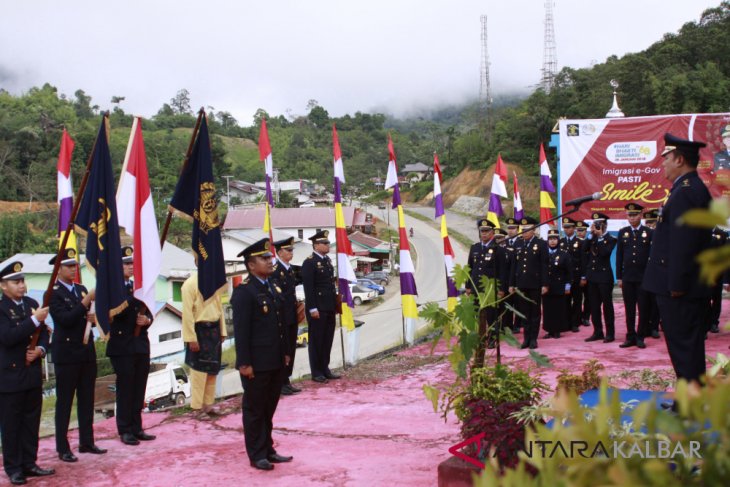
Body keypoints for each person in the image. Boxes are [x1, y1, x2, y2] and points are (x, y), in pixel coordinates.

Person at [643, 133, 713, 399]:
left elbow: (684, 245)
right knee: (685, 345)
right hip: (683, 284)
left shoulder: (686, 192)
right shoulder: (687, 188)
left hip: (681, 288)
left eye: (667, 159)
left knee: (684, 345)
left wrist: (676, 285)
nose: (663, 165)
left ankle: (691, 404)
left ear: (680, 160)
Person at [232, 238, 292, 471]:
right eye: (264, 258)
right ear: (250, 264)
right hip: (256, 364)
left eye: (269, 257)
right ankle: (257, 454)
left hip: (275, 360)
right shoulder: (245, 293)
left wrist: (286, 353)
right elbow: (242, 331)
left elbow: (280, 325)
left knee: (269, 408)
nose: (270, 261)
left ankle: (268, 449)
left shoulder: (272, 287)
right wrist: (244, 363)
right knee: (255, 410)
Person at [0, 261, 54, 485]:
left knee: (31, 422)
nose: (21, 285)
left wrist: (40, 350)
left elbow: (43, 333)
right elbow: (8, 337)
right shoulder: (1, 309)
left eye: (22, 281)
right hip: (10, 377)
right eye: (16, 282)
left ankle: (30, 463)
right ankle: (14, 468)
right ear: (3, 286)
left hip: (31, 373)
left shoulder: (32, 303)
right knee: (12, 424)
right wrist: (34, 320)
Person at [49, 248, 104, 463]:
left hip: (86, 352)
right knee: (64, 402)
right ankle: (62, 447)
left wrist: (93, 317)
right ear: (58, 269)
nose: (73, 269)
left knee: (87, 399)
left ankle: (87, 441)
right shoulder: (53, 293)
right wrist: (86, 302)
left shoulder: (80, 289)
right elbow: (66, 320)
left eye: (74, 265)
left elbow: (87, 318)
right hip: (67, 354)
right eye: (68, 266)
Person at [106, 246, 155, 445]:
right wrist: (134, 295)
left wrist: (147, 320)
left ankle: (137, 426)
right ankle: (125, 429)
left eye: (131, 263)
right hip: (121, 345)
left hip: (140, 344)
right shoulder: (112, 289)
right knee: (125, 389)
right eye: (126, 264)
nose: (129, 267)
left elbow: (149, 310)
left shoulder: (138, 288)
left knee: (139, 388)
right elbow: (113, 313)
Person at [182, 268, 227, 421]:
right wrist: (190, 338)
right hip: (199, 331)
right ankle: (196, 408)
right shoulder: (189, 285)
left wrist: (222, 330)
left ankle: (208, 405)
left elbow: (220, 308)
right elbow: (187, 313)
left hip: (214, 329)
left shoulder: (215, 283)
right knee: (198, 372)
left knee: (212, 370)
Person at [466, 219, 508, 360]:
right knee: (478, 314)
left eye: (486, 231)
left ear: (492, 232)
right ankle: (481, 337)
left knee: (491, 315)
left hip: (490, 289)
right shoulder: (475, 248)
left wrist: (502, 288)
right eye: (482, 231)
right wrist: (468, 286)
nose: (484, 234)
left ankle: (492, 338)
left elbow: (503, 271)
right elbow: (470, 268)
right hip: (477, 288)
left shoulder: (498, 249)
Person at [301, 230, 339, 383]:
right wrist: (312, 308)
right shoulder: (309, 262)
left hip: (329, 306)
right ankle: (316, 372)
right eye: (324, 243)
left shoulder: (327, 261)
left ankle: (325, 368)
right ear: (316, 246)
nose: (327, 245)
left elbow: (329, 285)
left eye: (328, 243)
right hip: (317, 308)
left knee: (327, 339)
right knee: (317, 340)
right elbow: (308, 288)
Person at [616, 203, 653, 349]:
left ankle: (640, 336)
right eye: (629, 215)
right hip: (628, 277)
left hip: (643, 277)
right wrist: (619, 276)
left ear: (641, 215)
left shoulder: (649, 232)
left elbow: (652, 257)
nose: (632, 218)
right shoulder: (623, 232)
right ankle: (630, 336)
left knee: (643, 308)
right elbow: (619, 256)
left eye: (635, 215)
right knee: (629, 308)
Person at [509, 217, 548, 350]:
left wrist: (545, 284)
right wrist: (511, 284)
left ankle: (533, 339)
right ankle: (526, 338)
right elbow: (514, 266)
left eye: (527, 230)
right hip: (521, 283)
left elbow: (544, 265)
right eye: (523, 230)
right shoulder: (518, 244)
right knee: (524, 312)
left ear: (534, 230)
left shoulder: (541, 244)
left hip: (535, 283)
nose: (524, 232)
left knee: (535, 312)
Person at [270, 237, 302, 395]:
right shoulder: (275, 270)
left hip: (291, 315)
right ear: (280, 252)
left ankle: (286, 379)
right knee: (283, 350)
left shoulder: (289, 269)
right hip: (282, 316)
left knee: (291, 348)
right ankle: (280, 381)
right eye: (288, 250)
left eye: (291, 250)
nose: (291, 253)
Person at [584, 213, 617, 343]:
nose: (597, 227)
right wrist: (590, 234)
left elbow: (604, 253)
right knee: (594, 306)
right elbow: (584, 249)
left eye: (600, 224)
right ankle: (598, 331)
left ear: (605, 225)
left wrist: (601, 237)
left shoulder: (611, 238)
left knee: (607, 306)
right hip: (592, 276)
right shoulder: (592, 237)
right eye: (596, 224)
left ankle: (610, 333)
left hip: (604, 277)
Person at [543, 229, 572, 339]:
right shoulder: (544, 253)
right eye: (550, 239)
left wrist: (568, 285)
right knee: (548, 308)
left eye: (554, 239)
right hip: (547, 285)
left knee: (558, 308)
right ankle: (549, 330)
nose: (552, 241)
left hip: (559, 284)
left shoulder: (564, 254)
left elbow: (569, 272)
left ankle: (557, 330)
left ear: (558, 240)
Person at [559, 218, 584, 333]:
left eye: (569, 227)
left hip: (576, 275)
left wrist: (583, 276)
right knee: (565, 300)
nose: (566, 229)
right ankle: (566, 322)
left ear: (574, 228)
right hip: (564, 277)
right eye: (565, 227)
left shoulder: (580, 242)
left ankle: (575, 322)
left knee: (577, 300)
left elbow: (584, 261)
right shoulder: (561, 241)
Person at [642, 209, 662, 339]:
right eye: (648, 223)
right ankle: (645, 326)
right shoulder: (643, 234)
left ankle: (654, 326)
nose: (650, 225)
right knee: (644, 302)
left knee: (655, 301)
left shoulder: (661, 235)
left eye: (652, 222)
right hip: (643, 272)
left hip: (657, 272)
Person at [706, 226, 728, 335]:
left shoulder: (722, 234)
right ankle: (706, 322)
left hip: (717, 273)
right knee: (704, 300)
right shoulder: (700, 231)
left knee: (716, 299)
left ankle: (714, 322)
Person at [503, 218, 522, 333]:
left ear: (518, 229)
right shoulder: (503, 242)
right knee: (508, 303)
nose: (510, 231)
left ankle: (518, 324)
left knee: (519, 303)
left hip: (519, 277)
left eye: (513, 228)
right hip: (508, 278)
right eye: (509, 228)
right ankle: (508, 324)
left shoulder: (521, 241)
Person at [574, 221, 592, 327]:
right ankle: (577, 317)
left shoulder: (589, 242)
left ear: (586, 231)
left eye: (582, 230)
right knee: (577, 297)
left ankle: (586, 317)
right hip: (577, 274)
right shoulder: (574, 242)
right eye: (578, 230)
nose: (580, 233)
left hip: (589, 273)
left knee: (588, 297)